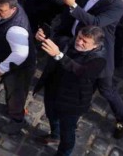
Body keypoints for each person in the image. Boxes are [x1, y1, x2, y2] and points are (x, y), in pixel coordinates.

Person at [48, 0, 123, 139]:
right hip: (78, 47)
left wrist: (73, 5)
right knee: (79, 84)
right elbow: (67, 3)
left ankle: (122, 117)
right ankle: (71, 119)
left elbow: (96, 22)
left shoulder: (116, 4)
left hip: (100, 55)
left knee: (106, 90)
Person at [34, 26, 107, 155]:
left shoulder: (98, 60)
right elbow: (52, 40)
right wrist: (42, 36)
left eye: (85, 41)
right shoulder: (67, 42)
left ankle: (64, 153)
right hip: (54, 90)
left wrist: (59, 55)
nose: (79, 42)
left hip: (73, 101)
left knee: (67, 132)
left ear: (95, 46)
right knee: (52, 116)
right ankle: (54, 136)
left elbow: (81, 72)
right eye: (79, 37)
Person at [0, 0, 36, 135]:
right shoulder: (8, 10)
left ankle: (17, 120)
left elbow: (20, 54)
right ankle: (9, 108)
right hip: (9, 57)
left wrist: (1, 68)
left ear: (13, 9)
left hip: (19, 67)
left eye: (1, 10)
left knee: (16, 93)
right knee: (9, 88)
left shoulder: (15, 29)